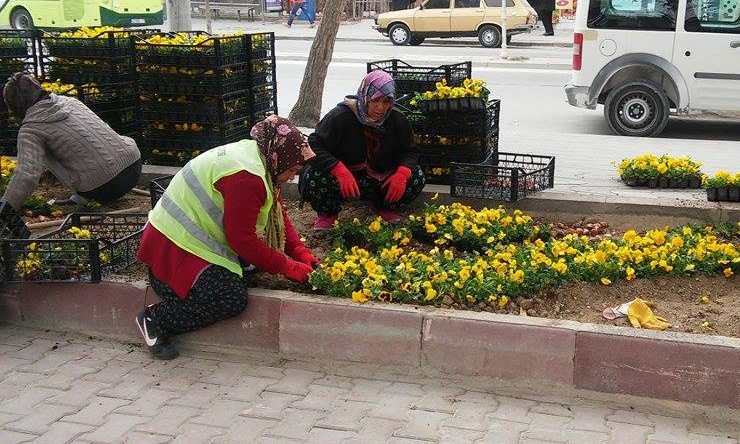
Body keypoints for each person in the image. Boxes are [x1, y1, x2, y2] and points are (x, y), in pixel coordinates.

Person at [135, 116, 318, 360]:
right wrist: (290, 268)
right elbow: (242, 241)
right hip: (171, 252)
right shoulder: (247, 177)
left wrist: (301, 253)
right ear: (279, 158)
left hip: (189, 242)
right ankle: (155, 320)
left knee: (248, 267)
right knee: (231, 297)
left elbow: (278, 214)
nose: (291, 178)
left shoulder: (260, 158)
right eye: (292, 171)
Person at [1, 72, 141, 215]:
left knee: (41, 152)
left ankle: (81, 197)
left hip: (105, 187)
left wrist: (6, 208)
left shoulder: (31, 129)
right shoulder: (69, 101)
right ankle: (82, 192)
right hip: (134, 164)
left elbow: (27, 175)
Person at [299, 70, 425, 230]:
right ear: (365, 96)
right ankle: (328, 214)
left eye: (386, 101)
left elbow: (409, 150)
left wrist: (402, 173)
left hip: (378, 178)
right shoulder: (341, 116)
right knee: (315, 174)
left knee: (416, 176)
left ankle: (383, 207)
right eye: (375, 100)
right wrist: (337, 169)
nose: (381, 107)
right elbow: (314, 145)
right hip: (345, 178)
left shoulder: (396, 119)